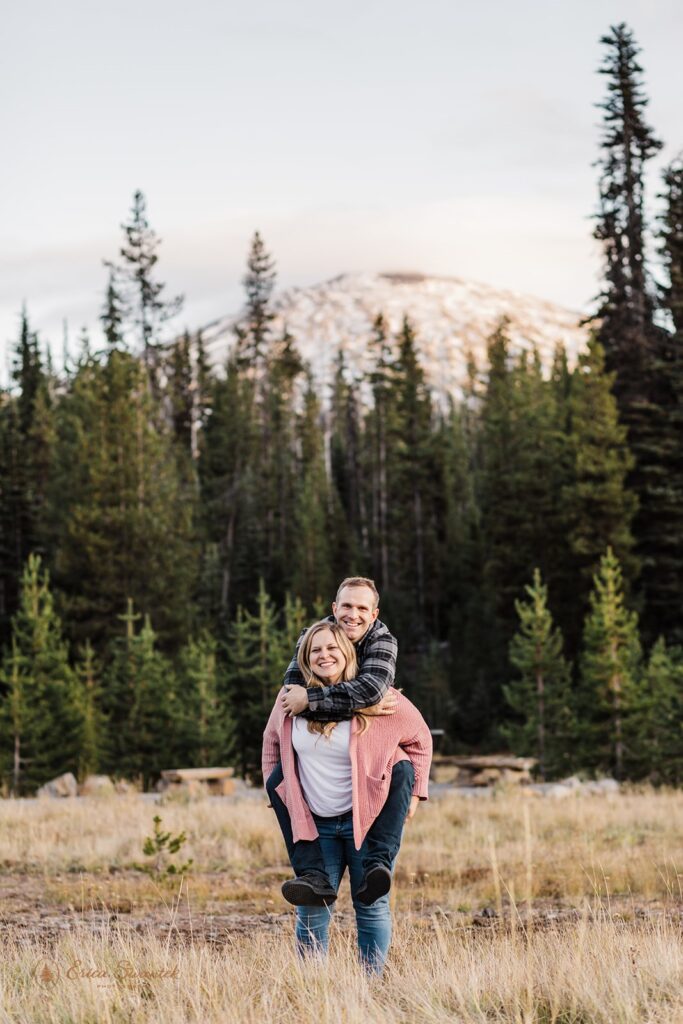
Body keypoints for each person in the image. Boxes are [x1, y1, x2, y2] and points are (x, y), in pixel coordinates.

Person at [262, 619, 432, 974]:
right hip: (317, 822)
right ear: (306, 659)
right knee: (312, 907)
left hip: (364, 822)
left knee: (370, 903)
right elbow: (271, 744)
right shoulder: (291, 700)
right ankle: (313, 985)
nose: (325, 655)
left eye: (332, 648)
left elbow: (421, 739)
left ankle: (370, 984)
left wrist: (417, 793)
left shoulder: (381, 699)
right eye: (316, 650)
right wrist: (281, 792)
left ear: (348, 652)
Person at [266, 576, 414, 907]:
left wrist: (319, 699)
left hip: (371, 747)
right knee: (278, 781)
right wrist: (360, 705)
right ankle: (310, 874)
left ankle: (379, 862)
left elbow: (374, 692)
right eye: (346, 606)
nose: (353, 614)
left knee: (402, 768)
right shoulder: (314, 637)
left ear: (374, 614)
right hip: (325, 765)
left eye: (362, 608)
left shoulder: (382, 641)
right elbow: (293, 698)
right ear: (335, 608)